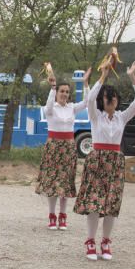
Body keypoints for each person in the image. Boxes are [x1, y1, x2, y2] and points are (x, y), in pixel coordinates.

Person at [73, 60, 135, 260]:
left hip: (115, 162)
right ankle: (90, 241)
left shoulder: (122, 117)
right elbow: (89, 100)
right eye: (107, 97)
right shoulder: (96, 116)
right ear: (101, 101)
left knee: (111, 204)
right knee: (95, 203)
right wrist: (102, 77)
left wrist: (132, 77)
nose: (111, 100)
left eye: (113, 97)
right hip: (97, 159)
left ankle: (106, 241)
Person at [35, 68, 91, 230]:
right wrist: (52, 88)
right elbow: (48, 105)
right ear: (57, 92)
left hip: (68, 148)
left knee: (66, 182)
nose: (64, 94)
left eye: (67, 92)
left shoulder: (72, 108)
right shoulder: (51, 109)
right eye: (62, 91)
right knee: (53, 182)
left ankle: (63, 215)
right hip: (53, 147)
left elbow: (87, 102)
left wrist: (85, 83)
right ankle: (52, 215)